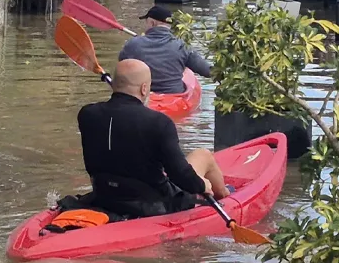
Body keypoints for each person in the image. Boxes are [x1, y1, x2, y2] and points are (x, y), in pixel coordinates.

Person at [77, 59, 230, 218]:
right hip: (152, 205)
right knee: (203, 155)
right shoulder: (159, 123)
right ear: (144, 89)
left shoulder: (87, 114)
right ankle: (226, 197)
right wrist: (201, 185)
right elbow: (179, 175)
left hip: (104, 197)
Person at [117, 5, 212, 94]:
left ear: (152, 23)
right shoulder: (182, 45)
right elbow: (207, 71)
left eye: (146, 22)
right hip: (174, 95)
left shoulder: (133, 44)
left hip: (145, 95)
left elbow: (122, 63)